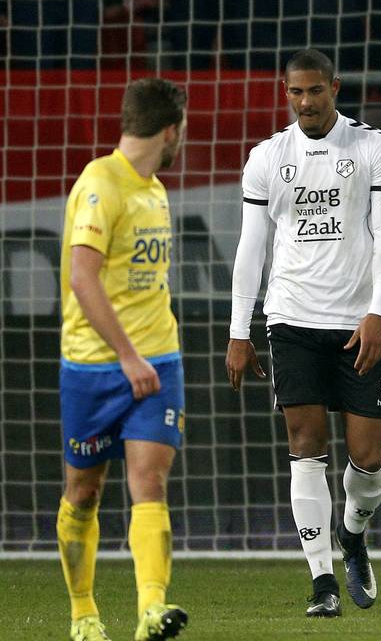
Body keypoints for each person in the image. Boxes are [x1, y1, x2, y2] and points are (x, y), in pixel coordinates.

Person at [225, 49, 381, 618]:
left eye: (316, 92)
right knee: (304, 446)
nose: (306, 102)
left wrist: (379, 312)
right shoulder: (266, 158)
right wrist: (239, 328)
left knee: (369, 461)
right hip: (292, 319)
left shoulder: (375, 148)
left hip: (357, 324)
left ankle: (352, 535)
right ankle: (322, 581)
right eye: (296, 93)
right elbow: (251, 248)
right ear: (286, 91)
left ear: (336, 88)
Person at [57, 78, 190, 641]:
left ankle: (151, 611)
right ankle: (84, 614)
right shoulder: (99, 184)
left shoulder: (153, 188)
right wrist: (127, 356)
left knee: (150, 483)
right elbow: (81, 278)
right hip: (95, 366)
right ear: (170, 130)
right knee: (84, 491)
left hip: (158, 360)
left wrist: (145, 358)